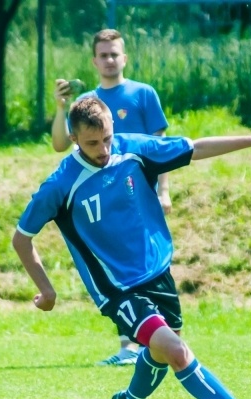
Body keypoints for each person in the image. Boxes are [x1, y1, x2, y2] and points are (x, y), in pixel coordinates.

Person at [14, 97, 251, 399]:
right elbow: (22, 238)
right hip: (117, 289)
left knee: (162, 353)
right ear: (74, 138)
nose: (103, 149)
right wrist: (47, 290)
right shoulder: (60, 185)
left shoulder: (132, 149)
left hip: (157, 271)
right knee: (176, 351)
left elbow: (193, 148)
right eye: (92, 143)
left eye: (106, 138)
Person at [51, 29, 171, 366]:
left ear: (124, 57)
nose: (109, 60)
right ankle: (129, 345)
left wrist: (164, 191)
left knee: (146, 264)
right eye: (102, 55)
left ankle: (156, 338)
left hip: (140, 198)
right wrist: (61, 107)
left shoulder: (143, 94)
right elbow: (60, 144)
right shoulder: (86, 104)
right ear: (94, 60)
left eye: (114, 54)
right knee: (115, 266)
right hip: (104, 203)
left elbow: (161, 149)